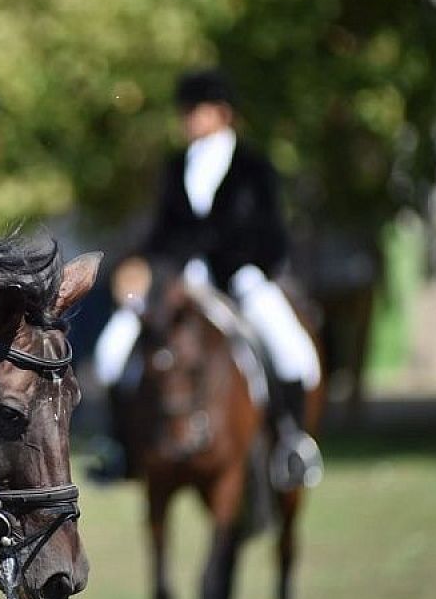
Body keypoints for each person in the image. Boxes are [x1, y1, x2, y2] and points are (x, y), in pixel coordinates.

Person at [93, 69, 323, 490]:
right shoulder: (174, 166)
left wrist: (249, 268)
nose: (187, 120)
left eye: (195, 110)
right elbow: (160, 234)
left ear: (221, 113)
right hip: (180, 284)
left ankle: (293, 441)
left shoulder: (254, 167)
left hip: (240, 279)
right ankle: (119, 446)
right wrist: (139, 265)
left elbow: (273, 232)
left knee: (294, 351)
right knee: (112, 348)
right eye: (185, 112)